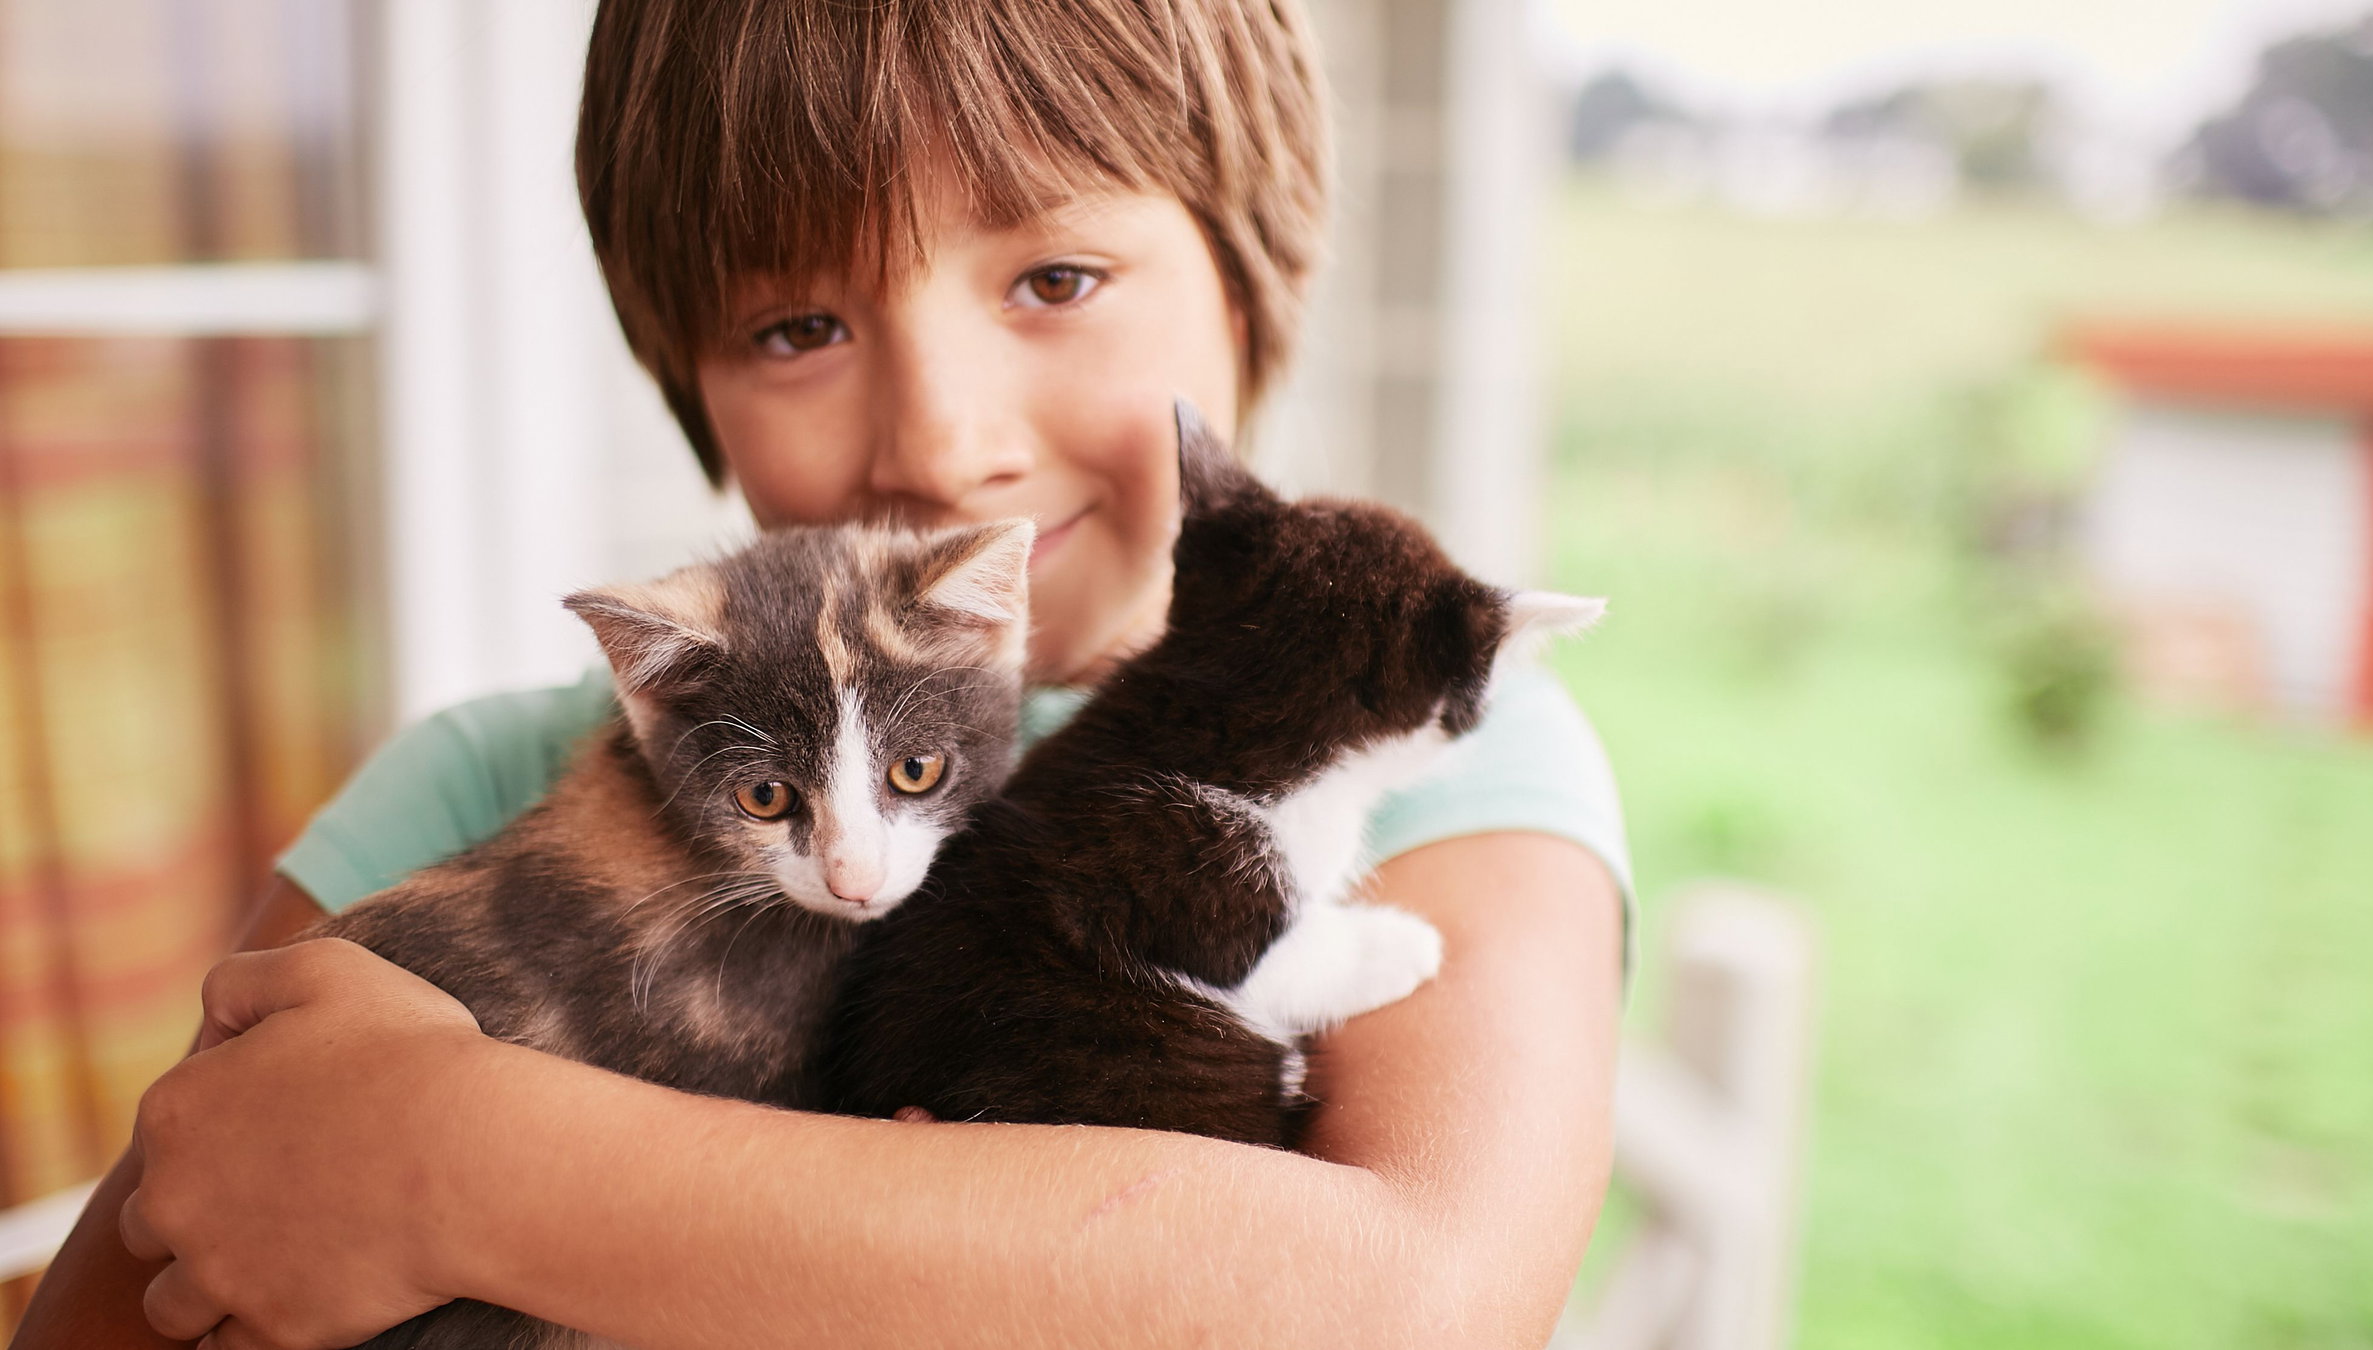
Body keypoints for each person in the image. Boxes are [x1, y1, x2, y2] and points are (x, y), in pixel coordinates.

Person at [12, 1, 1631, 1346]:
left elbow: (1420, 1294)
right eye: (797, 326)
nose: (938, 440)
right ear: (685, 372)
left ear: (1252, 268)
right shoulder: (479, 789)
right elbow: (132, 1287)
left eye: (1054, 280)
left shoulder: (1427, 761)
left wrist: (459, 1163)